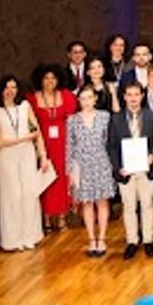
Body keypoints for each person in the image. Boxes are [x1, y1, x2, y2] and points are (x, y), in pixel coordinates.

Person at [0, 75, 46, 251]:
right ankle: (13, 240)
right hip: (7, 157)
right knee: (12, 196)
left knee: (29, 193)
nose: (11, 91)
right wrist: (24, 138)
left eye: (14, 87)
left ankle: (31, 235)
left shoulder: (25, 106)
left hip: (27, 154)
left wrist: (42, 155)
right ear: (1, 90)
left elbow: (37, 132)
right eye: (7, 87)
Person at [107, 83, 153, 259]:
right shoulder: (116, 119)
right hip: (126, 171)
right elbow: (112, 147)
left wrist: (152, 155)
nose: (133, 98)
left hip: (146, 168)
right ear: (124, 97)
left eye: (136, 94)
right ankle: (131, 241)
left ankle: (148, 240)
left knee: (147, 204)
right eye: (129, 95)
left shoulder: (152, 117)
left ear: (142, 96)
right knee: (129, 207)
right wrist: (118, 167)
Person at [66, 85, 117, 256]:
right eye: (83, 98)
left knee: (102, 202)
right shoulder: (72, 120)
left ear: (95, 99)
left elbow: (110, 141)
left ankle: (102, 238)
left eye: (89, 97)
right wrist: (70, 170)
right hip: (82, 165)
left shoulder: (105, 117)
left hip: (101, 162)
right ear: (78, 101)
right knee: (86, 202)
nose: (86, 101)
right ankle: (91, 239)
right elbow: (70, 146)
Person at [27, 64, 76, 231]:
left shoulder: (67, 96)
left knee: (62, 179)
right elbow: (30, 124)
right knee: (45, 180)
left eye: (53, 78)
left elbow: (72, 121)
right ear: (40, 80)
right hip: (43, 144)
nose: (50, 81)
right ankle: (46, 219)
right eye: (46, 78)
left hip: (63, 144)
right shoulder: (32, 99)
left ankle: (62, 217)